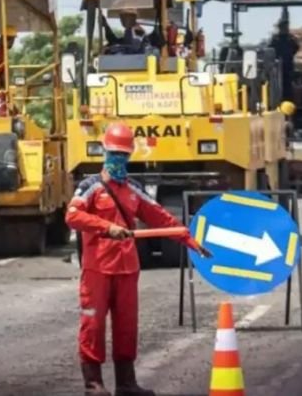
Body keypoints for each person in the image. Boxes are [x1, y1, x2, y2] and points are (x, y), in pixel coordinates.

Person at [65, 122, 211, 396]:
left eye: (123, 155)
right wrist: (107, 227)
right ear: (105, 153)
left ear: (130, 156)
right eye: (114, 154)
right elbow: (72, 216)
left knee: (126, 326)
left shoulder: (133, 189)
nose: (119, 159)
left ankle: (126, 383)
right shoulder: (90, 187)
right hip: (97, 269)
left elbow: (161, 217)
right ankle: (93, 384)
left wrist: (190, 240)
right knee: (92, 324)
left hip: (127, 269)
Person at [268, 14, 300, 100]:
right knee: (276, 85)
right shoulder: (275, 39)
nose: (284, 29)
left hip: (288, 65)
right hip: (277, 66)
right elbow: (270, 50)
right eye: (282, 27)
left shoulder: (290, 39)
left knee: (288, 86)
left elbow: (295, 48)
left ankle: (288, 101)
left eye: (285, 27)